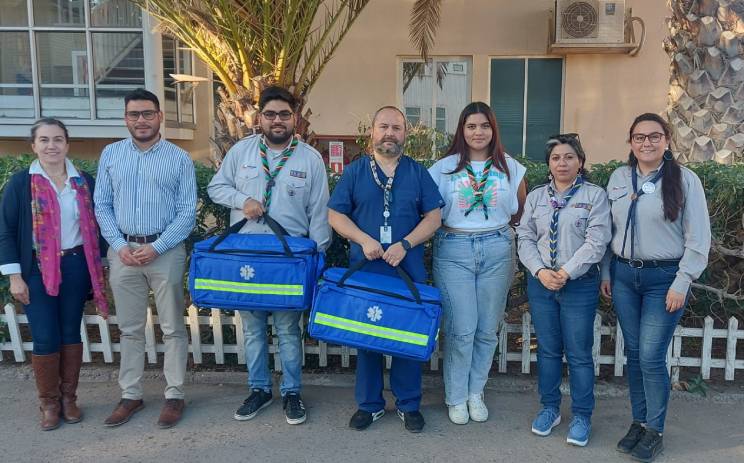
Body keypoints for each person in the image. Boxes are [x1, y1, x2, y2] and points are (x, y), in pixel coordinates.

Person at [208, 85, 331, 425]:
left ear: (295, 119)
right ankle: (259, 389)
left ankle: (292, 392)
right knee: (253, 330)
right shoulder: (241, 153)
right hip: (249, 256)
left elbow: (320, 211)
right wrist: (241, 201)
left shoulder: (310, 159)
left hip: (289, 259)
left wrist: (318, 257)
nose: (277, 121)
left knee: (289, 329)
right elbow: (216, 187)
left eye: (284, 114)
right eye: (270, 114)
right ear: (259, 118)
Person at [600, 113, 710, 462]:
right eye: (639, 137)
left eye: (654, 136)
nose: (646, 143)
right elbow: (607, 231)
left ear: (667, 140)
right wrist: (606, 272)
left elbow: (699, 238)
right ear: (630, 142)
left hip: (663, 279)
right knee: (634, 355)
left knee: (650, 355)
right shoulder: (619, 177)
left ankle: (655, 429)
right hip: (623, 277)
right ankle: (639, 421)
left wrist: (683, 280)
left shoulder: (685, 180)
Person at [328, 106, 443, 433]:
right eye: (383, 126)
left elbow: (433, 218)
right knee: (367, 339)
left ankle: (409, 405)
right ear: (372, 133)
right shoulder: (354, 173)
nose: (389, 132)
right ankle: (370, 404)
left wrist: (405, 244)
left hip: (407, 271)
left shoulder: (418, 173)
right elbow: (336, 215)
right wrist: (364, 239)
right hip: (366, 270)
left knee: (406, 337)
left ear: (405, 134)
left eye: (396, 127)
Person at [95, 88, 197, 429]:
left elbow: (186, 213)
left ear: (160, 116)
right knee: (130, 329)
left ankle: (174, 394)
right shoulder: (110, 155)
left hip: (164, 252)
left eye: (147, 114)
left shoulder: (179, 158)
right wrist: (118, 244)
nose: (141, 120)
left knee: (172, 327)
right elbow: (102, 205)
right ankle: (131, 394)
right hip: (123, 252)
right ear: (126, 118)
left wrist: (157, 246)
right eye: (134, 114)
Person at [0, 118, 109, 430]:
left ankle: (68, 399)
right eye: (44, 140)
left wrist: (100, 266)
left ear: (67, 144)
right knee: (46, 335)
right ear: (34, 146)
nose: (51, 146)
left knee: (71, 333)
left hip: (76, 265)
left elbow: (97, 226)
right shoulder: (22, 183)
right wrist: (14, 276)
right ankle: (48, 403)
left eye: (58, 139)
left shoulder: (83, 181)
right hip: (35, 269)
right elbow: (5, 231)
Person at [427, 102, 526, 425]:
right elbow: (429, 213)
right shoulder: (443, 168)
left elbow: (520, 211)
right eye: (471, 126)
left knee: (486, 329)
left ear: (493, 129)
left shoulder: (510, 167)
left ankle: (475, 392)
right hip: (454, 249)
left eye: (484, 126)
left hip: (497, 248)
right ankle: (455, 396)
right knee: (461, 328)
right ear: (462, 130)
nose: (478, 132)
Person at [516, 133, 611, 446]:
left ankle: (582, 414)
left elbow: (597, 241)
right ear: (548, 164)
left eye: (569, 157)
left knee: (579, 352)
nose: (562, 163)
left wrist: (565, 272)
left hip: (579, 285)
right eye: (556, 158)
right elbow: (525, 237)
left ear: (580, 162)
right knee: (548, 349)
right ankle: (550, 408)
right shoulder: (537, 197)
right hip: (541, 283)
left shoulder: (595, 196)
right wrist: (542, 271)